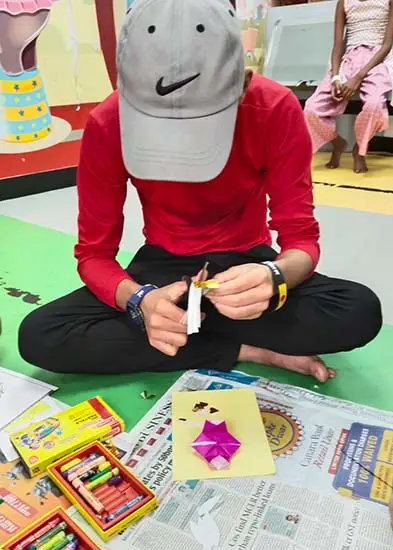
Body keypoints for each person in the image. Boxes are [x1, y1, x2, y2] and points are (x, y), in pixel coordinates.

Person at [18, 0, 382, 383]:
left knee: (358, 312)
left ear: (240, 82)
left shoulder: (274, 107)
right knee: (41, 335)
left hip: (248, 264)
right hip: (161, 269)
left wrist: (274, 276)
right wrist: (142, 301)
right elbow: (94, 254)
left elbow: (301, 240)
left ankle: (185, 331)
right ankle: (245, 348)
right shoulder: (108, 122)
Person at [304, 0, 393, 173]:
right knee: (311, 109)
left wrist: (358, 77)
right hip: (348, 60)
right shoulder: (343, 2)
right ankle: (338, 143)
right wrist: (336, 76)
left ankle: (359, 150)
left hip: (378, 60)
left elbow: (387, 45)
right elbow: (337, 46)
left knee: (374, 105)